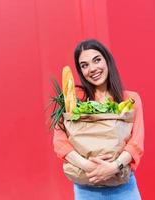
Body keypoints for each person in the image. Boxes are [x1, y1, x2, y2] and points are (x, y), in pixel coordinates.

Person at [53, 39, 144, 200]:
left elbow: (136, 143)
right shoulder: (73, 99)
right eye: (84, 65)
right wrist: (89, 166)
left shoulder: (130, 99)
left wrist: (113, 167)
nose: (93, 69)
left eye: (97, 60)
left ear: (107, 60)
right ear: (80, 71)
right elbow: (60, 143)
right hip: (86, 188)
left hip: (123, 188)